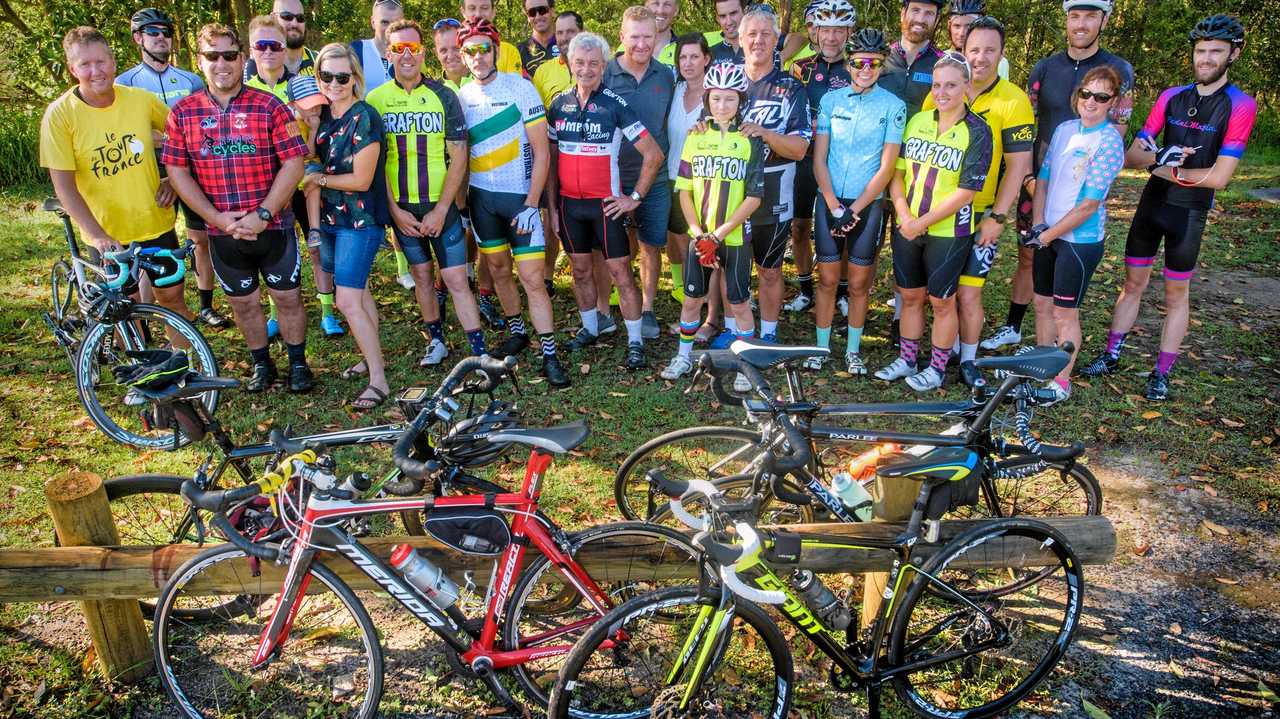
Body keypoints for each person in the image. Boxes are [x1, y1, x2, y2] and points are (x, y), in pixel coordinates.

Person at [1081, 15, 1255, 402]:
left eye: (1216, 52)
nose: (1206, 59)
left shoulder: (1240, 105)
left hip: (1189, 214)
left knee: (1177, 295)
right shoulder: (1171, 97)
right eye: (1200, 51)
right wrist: (1165, 161)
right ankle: (1111, 355)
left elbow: (1220, 177)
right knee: (1132, 285)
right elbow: (1132, 156)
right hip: (1152, 206)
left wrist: (1162, 165)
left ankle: (1161, 373)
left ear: (1234, 54)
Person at [163, 23, 314, 393]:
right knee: (244, 305)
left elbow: (294, 163)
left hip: (272, 226)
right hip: (222, 230)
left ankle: (298, 364)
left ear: (241, 58)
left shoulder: (270, 105)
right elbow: (177, 171)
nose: (221, 63)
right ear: (200, 62)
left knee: (288, 298)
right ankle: (262, 364)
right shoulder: (182, 112)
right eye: (212, 56)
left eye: (229, 55)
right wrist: (216, 219)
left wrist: (263, 214)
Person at [984, 0, 1133, 353]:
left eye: (1090, 16)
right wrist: (1028, 179)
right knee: (1029, 256)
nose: (1081, 24)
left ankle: (1057, 357)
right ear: (1066, 20)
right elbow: (1026, 125)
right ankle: (1015, 328)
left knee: (1058, 264)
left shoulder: (1118, 69)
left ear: (1104, 20)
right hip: (1038, 179)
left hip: (1082, 185)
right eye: (1075, 16)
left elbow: (1120, 130)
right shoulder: (1045, 67)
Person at [41, 27, 191, 326]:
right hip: (108, 233)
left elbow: (184, 138)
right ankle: (139, 367)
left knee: (173, 300)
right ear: (73, 69)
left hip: (155, 221)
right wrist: (96, 235)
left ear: (113, 61)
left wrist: (174, 180)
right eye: (85, 64)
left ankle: (185, 365)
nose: (96, 71)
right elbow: (64, 186)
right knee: (125, 309)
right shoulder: (59, 116)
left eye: (101, 61)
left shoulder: (140, 100)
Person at [454, 18, 569, 387]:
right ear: (462, 56)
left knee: (534, 279)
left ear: (496, 50)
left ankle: (549, 352)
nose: (477, 57)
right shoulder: (460, 96)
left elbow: (541, 151)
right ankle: (518, 330)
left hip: (521, 198)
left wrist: (532, 203)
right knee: (499, 271)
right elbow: (459, 155)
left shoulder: (520, 88)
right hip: (482, 200)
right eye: (469, 50)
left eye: (483, 48)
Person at [920, 16, 1032, 387]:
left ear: (1001, 54)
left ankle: (968, 360)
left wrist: (998, 216)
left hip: (982, 210)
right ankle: (942, 350)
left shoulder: (1013, 99)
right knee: (940, 291)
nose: (981, 57)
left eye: (990, 50)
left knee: (969, 292)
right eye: (974, 49)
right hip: (940, 211)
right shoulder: (941, 89)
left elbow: (1018, 166)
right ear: (963, 51)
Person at [367, 19, 486, 365]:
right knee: (421, 275)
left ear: (423, 53)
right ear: (388, 53)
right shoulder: (375, 100)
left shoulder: (443, 95)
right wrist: (394, 211)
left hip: (440, 205)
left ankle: (478, 352)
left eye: (414, 48)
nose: (407, 55)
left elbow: (460, 156)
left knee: (455, 278)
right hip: (402, 208)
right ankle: (436, 341)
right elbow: (375, 163)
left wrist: (441, 209)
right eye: (399, 49)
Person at [547, 31, 664, 369]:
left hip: (605, 206)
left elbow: (653, 155)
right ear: (570, 64)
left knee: (621, 274)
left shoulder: (614, 104)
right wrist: (553, 210)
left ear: (603, 66)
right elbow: (553, 163)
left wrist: (634, 198)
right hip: (570, 206)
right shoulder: (558, 105)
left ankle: (636, 341)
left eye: (594, 64)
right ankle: (590, 328)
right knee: (580, 271)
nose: (586, 70)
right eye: (580, 63)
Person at [877, 53, 991, 392]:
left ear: (967, 87)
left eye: (952, 85)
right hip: (908, 224)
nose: (942, 92)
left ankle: (937, 369)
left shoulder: (978, 131)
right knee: (910, 296)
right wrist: (904, 214)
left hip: (949, 230)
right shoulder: (918, 122)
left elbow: (967, 191)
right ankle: (908, 359)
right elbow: (896, 174)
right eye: (938, 84)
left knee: (942, 301)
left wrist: (921, 221)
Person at [117, 8, 226, 329]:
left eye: (165, 32)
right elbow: (130, 133)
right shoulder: (125, 83)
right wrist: (165, 169)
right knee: (148, 246)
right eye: (152, 32)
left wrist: (168, 145)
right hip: (149, 174)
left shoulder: (191, 80)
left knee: (199, 240)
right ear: (138, 38)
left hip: (192, 172)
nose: (161, 38)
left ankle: (205, 305)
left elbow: (202, 126)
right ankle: (147, 314)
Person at [809, 29, 905, 375]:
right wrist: (834, 205)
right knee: (827, 280)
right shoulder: (831, 102)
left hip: (868, 204)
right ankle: (820, 348)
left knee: (861, 283)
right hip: (829, 200)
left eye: (875, 63)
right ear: (848, 64)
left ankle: (852, 351)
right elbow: (819, 158)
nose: (867, 68)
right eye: (859, 62)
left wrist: (856, 209)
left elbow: (887, 166)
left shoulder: (894, 106)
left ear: (882, 66)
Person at [660, 62, 764, 380]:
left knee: (740, 302)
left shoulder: (751, 140)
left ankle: (746, 369)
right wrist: (696, 232)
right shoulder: (696, 137)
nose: (722, 105)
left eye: (730, 99)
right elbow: (685, 192)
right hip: (699, 236)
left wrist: (717, 235)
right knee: (692, 299)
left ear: (740, 101)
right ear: (707, 100)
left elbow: (754, 197)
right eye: (716, 99)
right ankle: (683, 357)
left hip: (732, 238)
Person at [302, 43, 392, 410]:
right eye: (327, 76)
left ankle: (379, 381)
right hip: (330, 220)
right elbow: (309, 159)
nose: (335, 83)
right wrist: (309, 127)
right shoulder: (322, 117)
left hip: (360, 220)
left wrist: (320, 179)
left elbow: (361, 179)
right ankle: (371, 359)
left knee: (346, 299)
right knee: (359, 293)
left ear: (355, 77)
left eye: (343, 76)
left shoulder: (364, 116)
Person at [1029, 66, 1126, 403]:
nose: (1091, 101)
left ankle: (1061, 382)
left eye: (1101, 97)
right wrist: (1039, 223)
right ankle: (1042, 368)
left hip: (1079, 241)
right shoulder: (1065, 129)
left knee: (1063, 312)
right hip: (1047, 231)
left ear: (1111, 102)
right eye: (1087, 94)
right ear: (1078, 95)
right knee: (1041, 303)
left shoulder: (1110, 141)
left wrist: (1048, 235)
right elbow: (1043, 178)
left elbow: (1088, 205)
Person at [246, 15, 344, 340]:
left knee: (316, 247)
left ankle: (328, 312)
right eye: (262, 45)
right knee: (273, 253)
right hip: (267, 186)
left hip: (305, 181)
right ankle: (275, 314)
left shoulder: (302, 83)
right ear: (251, 50)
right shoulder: (245, 91)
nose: (270, 52)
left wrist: (311, 125)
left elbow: (319, 141)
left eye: (275, 45)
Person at [730, 7, 810, 346]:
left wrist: (764, 133)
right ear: (740, 39)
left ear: (776, 40)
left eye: (766, 34)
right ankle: (737, 330)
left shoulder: (791, 87)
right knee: (731, 266)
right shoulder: (724, 81)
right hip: (730, 188)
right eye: (752, 34)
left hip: (775, 188)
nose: (758, 40)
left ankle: (769, 334)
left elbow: (800, 148)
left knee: (770, 268)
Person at [603, 6, 676, 341]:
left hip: (655, 178)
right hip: (612, 175)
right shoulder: (604, 73)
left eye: (649, 36)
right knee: (610, 246)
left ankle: (646, 309)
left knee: (650, 245)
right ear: (622, 37)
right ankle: (605, 309)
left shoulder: (666, 75)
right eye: (635, 37)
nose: (642, 44)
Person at [783, 0, 854, 316]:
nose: (832, 37)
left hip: (839, 162)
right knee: (799, 226)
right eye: (826, 29)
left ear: (848, 32)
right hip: (802, 159)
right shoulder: (800, 68)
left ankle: (841, 290)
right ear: (816, 30)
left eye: (839, 30)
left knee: (843, 228)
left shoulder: (856, 68)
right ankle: (804, 288)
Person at [665, 33, 713, 317]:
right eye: (683, 57)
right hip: (674, 177)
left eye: (695, 56)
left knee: (705, 245)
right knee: (679, 241)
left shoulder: (716, 94)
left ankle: (708, 305)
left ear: (706, 59)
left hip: (706, 183)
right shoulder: (674, 90)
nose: (688, 62)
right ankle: (688, 294)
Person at [879, 0, 946, 116]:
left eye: (929, 13)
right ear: (902, 14)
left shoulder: (944, 63)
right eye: (915, 10)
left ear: (936, 20)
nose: (920, 19)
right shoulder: (880, 58)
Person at [244, 0, 318, 79]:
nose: (295, 24)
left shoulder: (319, 61)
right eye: (287, 16)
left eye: (300, 18)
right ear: (273, 18)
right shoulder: (256, 64)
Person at [350, 0, 403, 92]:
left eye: (396, 23)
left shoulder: (411, 54)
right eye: (385, 22)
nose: (390, 28)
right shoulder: (356, 50)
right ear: (373, 22)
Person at [945, 0, 1007, 79]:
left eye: (968, 26)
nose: (961, 33)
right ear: (949, 27)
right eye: (957, 26)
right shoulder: (940, 58)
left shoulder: (999, 62)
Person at [461, 0, 525, 75]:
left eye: (484, 8)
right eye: (472, 8)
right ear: (463, 12)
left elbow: (515, 84)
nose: (478, 14)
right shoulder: (453, 53)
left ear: (493, 12)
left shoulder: (509, 51)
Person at [532, 11, 581, 107]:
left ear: (582, 32)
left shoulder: (597, 68)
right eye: (559, 33)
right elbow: (536, 115)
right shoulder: (542, 71)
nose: (564, 38)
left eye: (570, 31)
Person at [520, 0, 559, 75]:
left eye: (542, 10)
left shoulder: (568, 45)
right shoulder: (519, 52)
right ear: (528, 17)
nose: (538, 17)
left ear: (552, 12)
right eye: (532, 13)